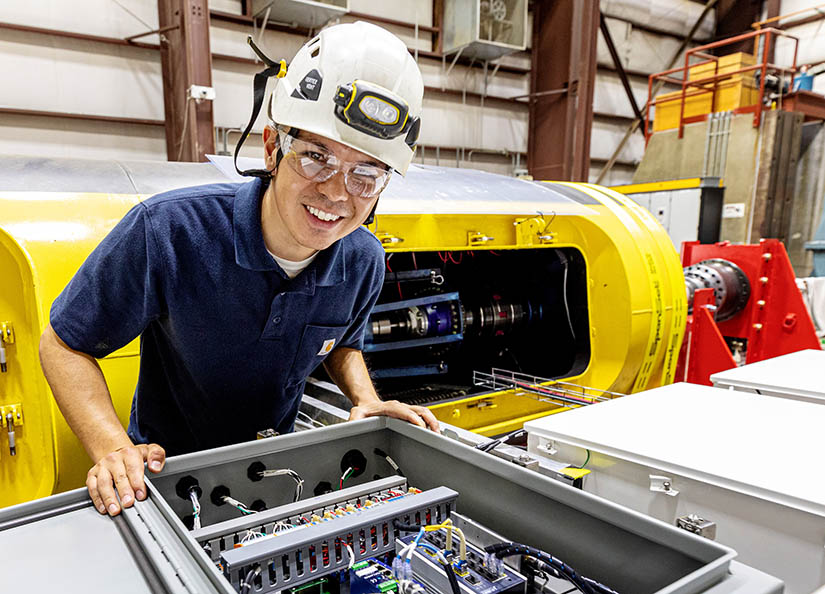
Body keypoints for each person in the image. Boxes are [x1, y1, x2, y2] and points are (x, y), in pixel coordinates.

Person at [39, 21, 438, 518]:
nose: (337, 193)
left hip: (275, 474)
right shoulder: (169, 231)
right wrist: (113, 449)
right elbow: (63, 343)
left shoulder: (363, 259)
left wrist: (365, 398)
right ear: (272, 146)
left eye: (367, 173)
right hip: (166, 479)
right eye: (316, 157)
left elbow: (343, 341)